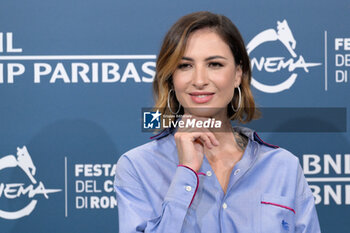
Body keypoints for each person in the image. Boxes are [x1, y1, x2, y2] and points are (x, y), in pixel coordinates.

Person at [114, 11, 321, 233]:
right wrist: (186, 172)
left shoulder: (283, 167)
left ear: (237, 75)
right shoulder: (137, 167)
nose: (200, 80)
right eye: (185, 65)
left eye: (214, 64)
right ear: (171, 78)